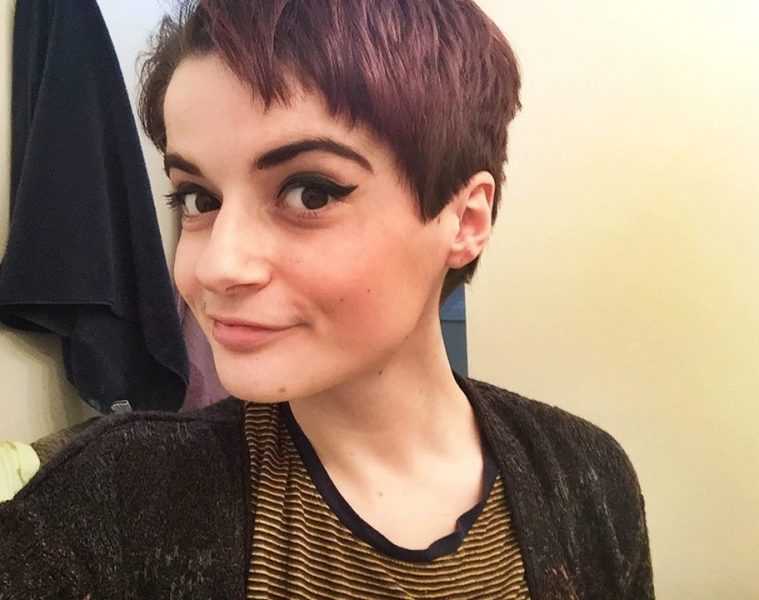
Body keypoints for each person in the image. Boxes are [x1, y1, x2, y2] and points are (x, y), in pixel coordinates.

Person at [0, 1, 655, 598]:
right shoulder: (109, 500)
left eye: (309, 193)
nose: (217, 266)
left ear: (464, 220)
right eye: (198, 198)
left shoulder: (586, 477)